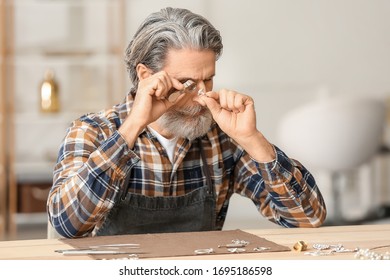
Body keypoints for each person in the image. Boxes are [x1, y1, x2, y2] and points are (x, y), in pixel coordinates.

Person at [47, 7, 326, 238]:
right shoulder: (92, 131)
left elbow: (308, 219)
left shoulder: (221, 137)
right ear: (146, 76)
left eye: (209, 79)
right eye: (188, 83)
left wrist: (252, 139)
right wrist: (132, 128)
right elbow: (67, 225)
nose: (203, 94)